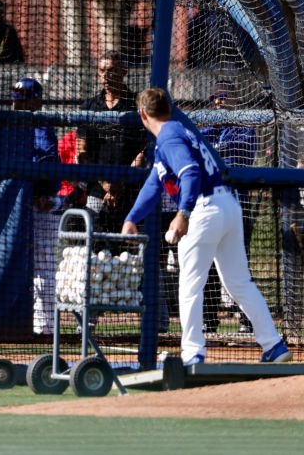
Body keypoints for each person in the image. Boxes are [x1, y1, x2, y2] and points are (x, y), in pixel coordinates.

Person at [121, 86, 291, 365]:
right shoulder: (176, 132)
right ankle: (273, 344)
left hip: (203, 209)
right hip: (227, 205)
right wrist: (131, 218)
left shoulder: (170, 136)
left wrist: (183, 213)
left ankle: (193, 353)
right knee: (239, 282)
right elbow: (154, 184)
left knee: (190, 284)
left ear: (142, 115)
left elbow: (190, 172)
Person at [198, 81, 259, 333]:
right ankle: (209, 322)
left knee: (239, 263)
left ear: (235, 99)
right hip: (210, 202)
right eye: (214, 97)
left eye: (224, 97)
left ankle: (247, 321)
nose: (218, 101)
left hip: (238, 203)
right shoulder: (206, 130)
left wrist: (216, 153)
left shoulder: (245, 129)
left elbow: (239, 157)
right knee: (208, 265)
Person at [10, 78, 61, 335]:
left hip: (40, 205)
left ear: (37, 99)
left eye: (25, 97)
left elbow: (48, 161)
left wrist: (42, 192)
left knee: (43, 264)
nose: (18, 101)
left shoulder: (43, 126)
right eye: (16, 96)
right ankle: (15, 321)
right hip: (13, 206)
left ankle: (45, 326)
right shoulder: (7, 123)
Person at [75, 50, 143, 233]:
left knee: (130, 250)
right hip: (97, 192)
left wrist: (120, 183)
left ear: (123, 72)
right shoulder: (89, 106)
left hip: (130, 193)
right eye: (102, 70)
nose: (106, 75)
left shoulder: (136, 105)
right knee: (95, 246)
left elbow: (144, 150)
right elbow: (81, 151)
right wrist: (105, 184)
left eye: (111, 70)